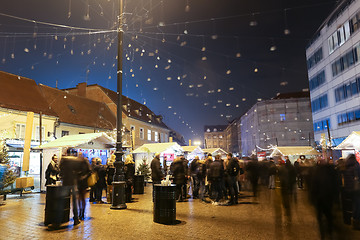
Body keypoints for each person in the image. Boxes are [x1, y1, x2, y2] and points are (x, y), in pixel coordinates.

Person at [59, 148, 83, 225]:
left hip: (65, 182)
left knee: (63, 201)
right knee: (74, 202)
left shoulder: (63, 159)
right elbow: (80, 171)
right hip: (73, 182)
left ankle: (60, 219)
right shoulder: (76, 160)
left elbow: (60, 170)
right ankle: (76, 218)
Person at [343, 154, 360, 230]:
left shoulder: (346, 167)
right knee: (358, 205)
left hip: (349, 189)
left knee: (354, 204)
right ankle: (357, 222)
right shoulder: (356, 166)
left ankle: (354, 221)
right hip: (357, 189)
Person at [77, 154, 91, 220]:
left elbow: (89, 172)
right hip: (79, 182)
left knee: (82, 198)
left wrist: (84, 177)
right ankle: (80, 212)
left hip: (84, 182)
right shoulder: (78, 163)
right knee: (80, 198)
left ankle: (82, 212)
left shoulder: (85, 163)